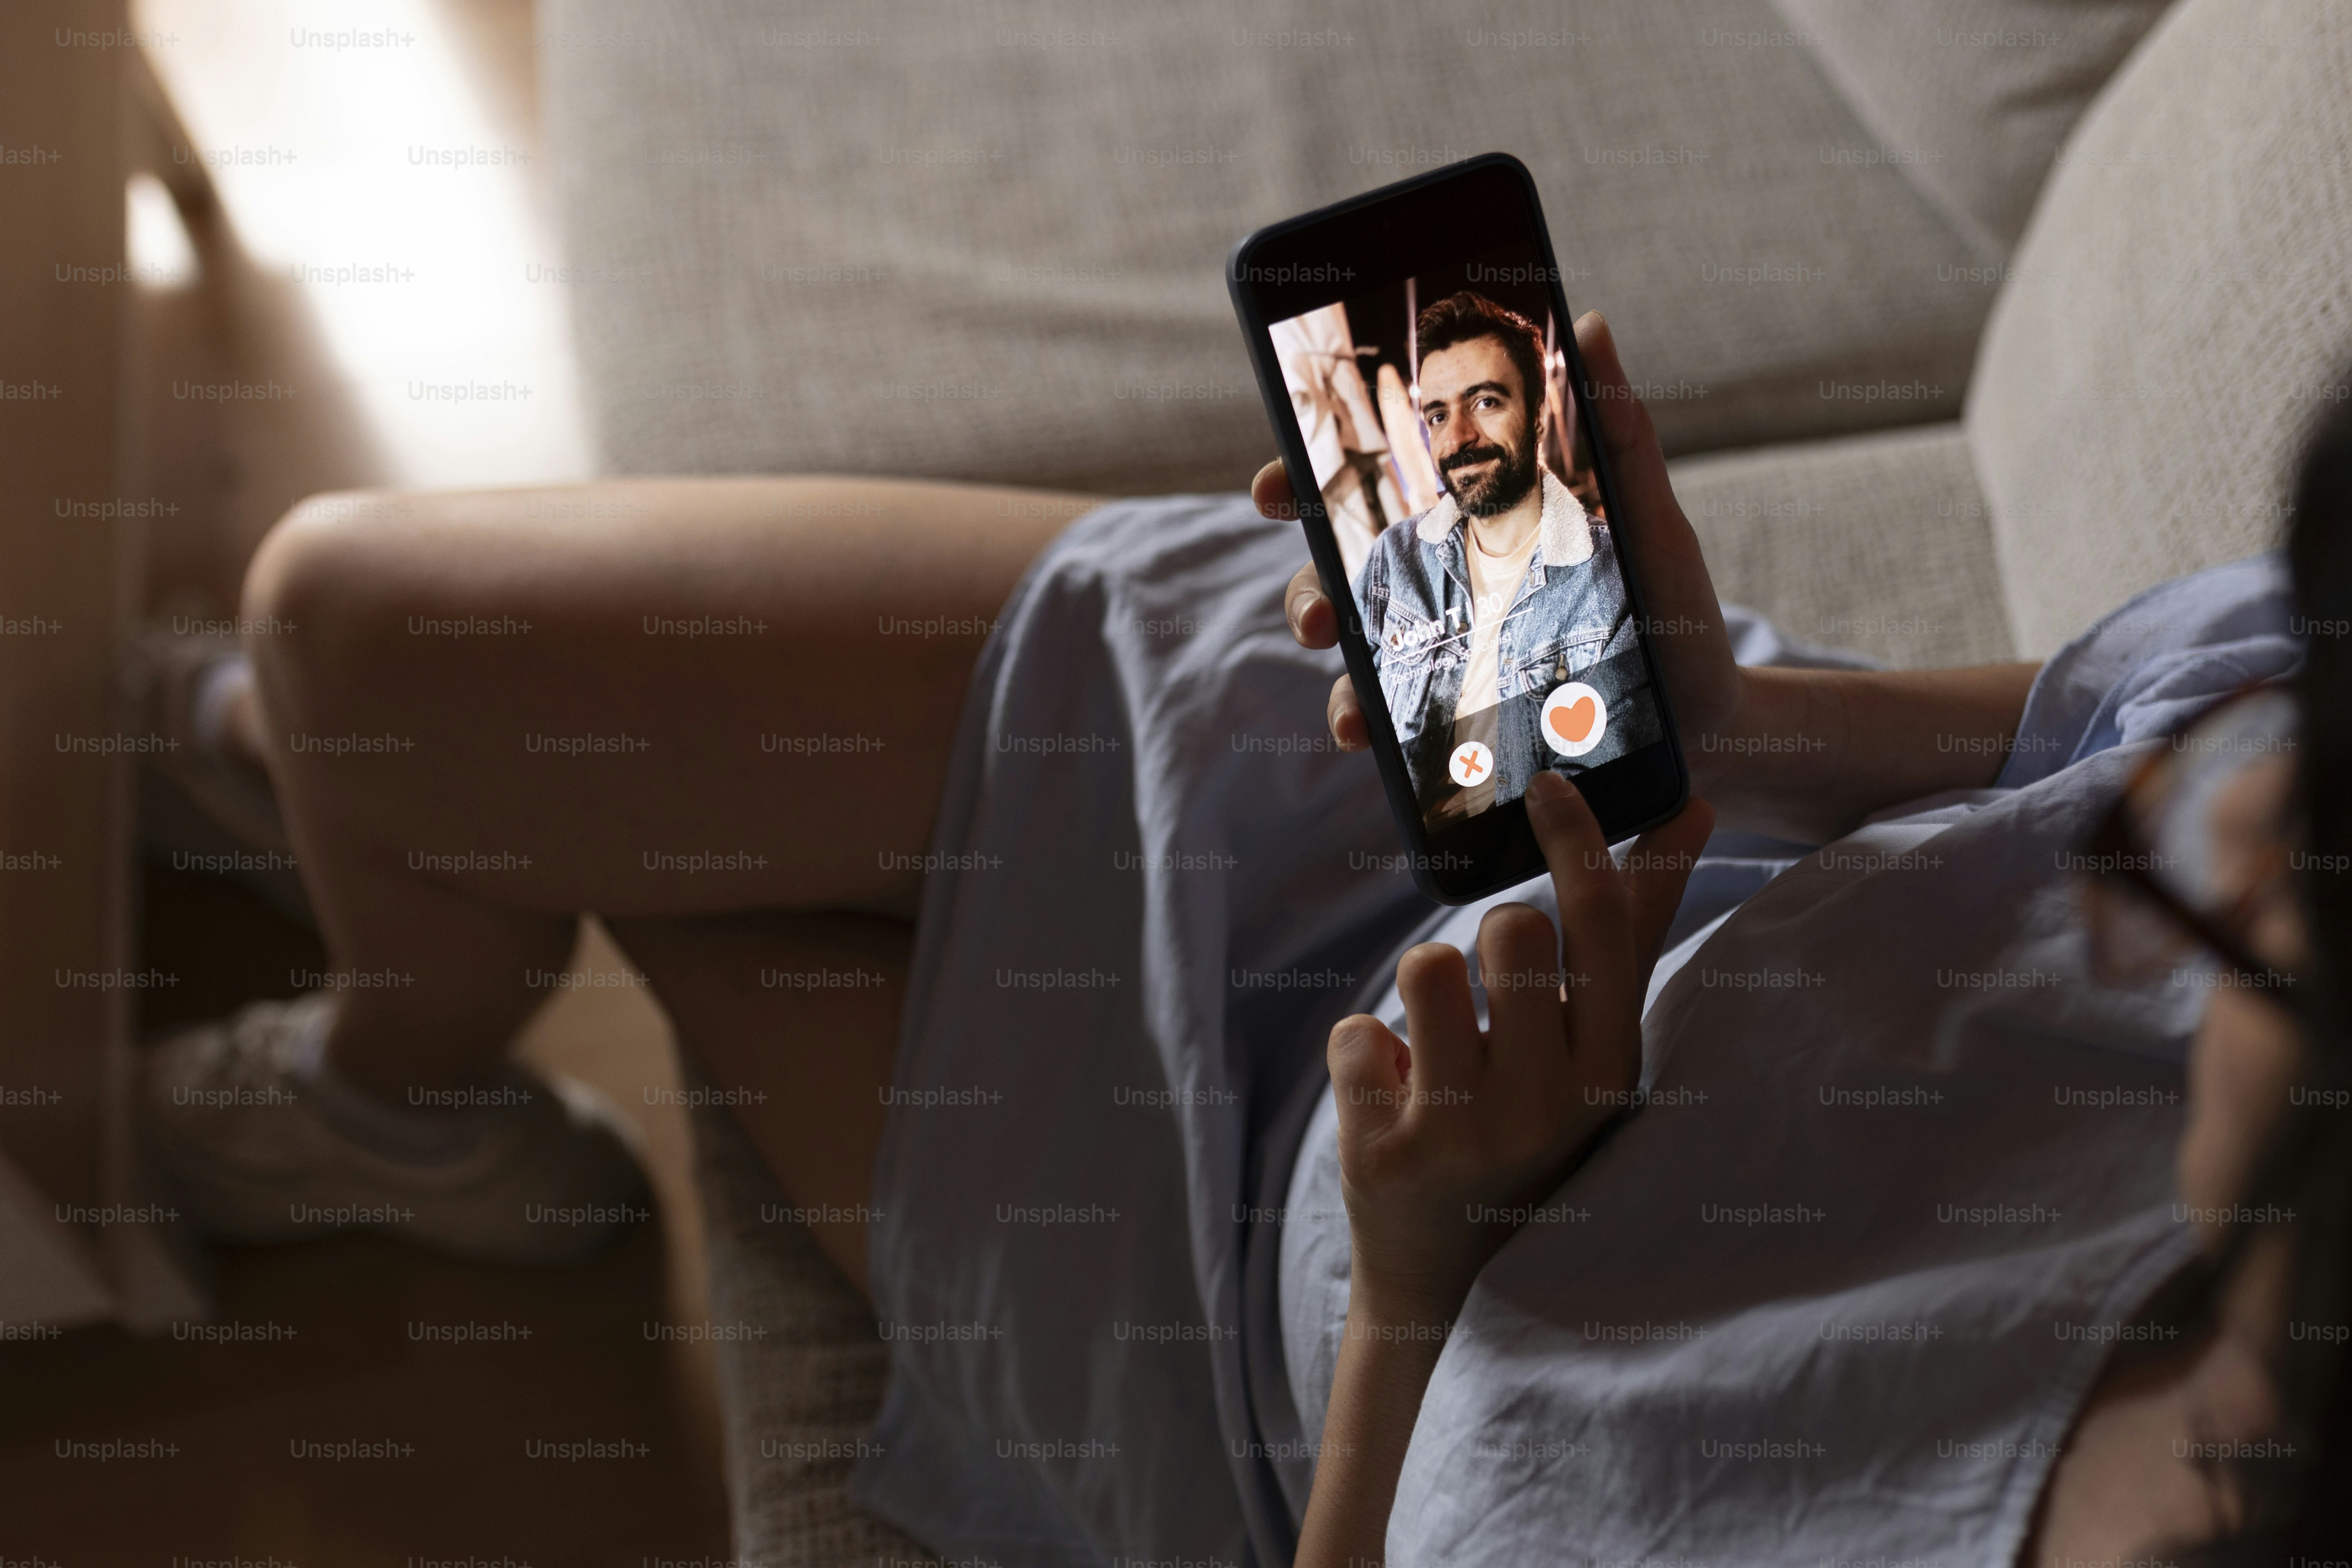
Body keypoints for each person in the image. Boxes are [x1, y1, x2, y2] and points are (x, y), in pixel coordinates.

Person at [140, 314, 2346, 1559]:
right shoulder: (2300, 845)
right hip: (1547, 830)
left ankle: (373, 1032)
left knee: (550, 803)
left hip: (1231, 1297)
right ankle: (347, 907)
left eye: (2205, 919)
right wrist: (1724, 715)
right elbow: (2088, 720)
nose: (2200, 867)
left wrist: (1413, 1276)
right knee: (347, 620)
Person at [1349, 293, 1657, 821]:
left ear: (1538, 414)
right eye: (1439, 415)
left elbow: (1611, 784)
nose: (1459, 438)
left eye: (1486, 402)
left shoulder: (1605, 573)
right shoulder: (1393, 561)